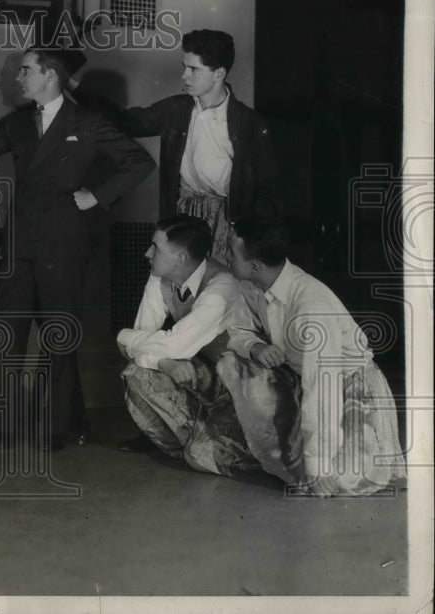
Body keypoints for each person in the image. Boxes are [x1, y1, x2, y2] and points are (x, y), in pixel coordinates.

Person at [0, 48, 155, 452]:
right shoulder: (19, 123)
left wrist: (96, 196)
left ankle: (61, 425)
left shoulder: (88, 122)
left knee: (57, 334)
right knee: (7, 332)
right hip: (21, 240)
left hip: (64, 240)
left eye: (26, 71)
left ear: (50, 75)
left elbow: (138, 162)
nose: (18, 79)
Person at [221, 217, 407, 496]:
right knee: (233, 362)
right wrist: (255, 347)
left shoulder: (311, 305)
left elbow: (323, 389)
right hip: (302, 379)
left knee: (336, 482)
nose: (225, 258)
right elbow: (237, 328)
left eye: (231, 253)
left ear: (255, 265)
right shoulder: (251, 282)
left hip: (348, 388)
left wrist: (319, 465)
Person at [71, 29, 281, 264]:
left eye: (194, 69)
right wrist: (71, 86)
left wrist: (247, 238)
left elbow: (267, 193)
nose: (184, 76)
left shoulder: (250, 123)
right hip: (181, 217)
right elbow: (124, 121)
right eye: (184, 66)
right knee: (173, 288)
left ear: (219, 74)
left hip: (229, 224)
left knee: (218, 292)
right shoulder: (176, 109)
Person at [117, 215, 258, 475]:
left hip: (242, 389)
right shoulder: (160, 276)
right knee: (135, 372)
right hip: (206, 377)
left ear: (180, 258)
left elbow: (165, 344)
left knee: (199, 455)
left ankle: (223, 446)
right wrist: (163, 362)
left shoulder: (221, 285)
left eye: (155, 247)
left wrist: (124, 336)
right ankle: (200, 443)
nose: (147, 252)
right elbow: (140, 342)